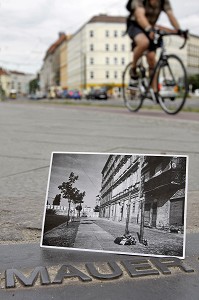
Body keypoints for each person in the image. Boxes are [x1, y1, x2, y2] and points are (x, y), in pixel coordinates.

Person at [127, 0, 181, 95]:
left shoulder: (164, 2)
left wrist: (179, 31)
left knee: (152, 59)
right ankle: (133, 69)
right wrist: (149, 29)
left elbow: (171, 16)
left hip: (151, 27)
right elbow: (140, 16)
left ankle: (155, 91)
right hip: (136, 25)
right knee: (144, 43)